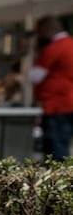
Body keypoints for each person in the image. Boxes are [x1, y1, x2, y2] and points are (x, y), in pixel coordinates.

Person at [31, 15, 73, 162]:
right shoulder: (70, 44)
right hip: (69, 102)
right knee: (63, 145)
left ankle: (58, 183)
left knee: (56, 149)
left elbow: (35, 76)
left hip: (56, 105)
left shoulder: (54, 48)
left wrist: (36, 52)